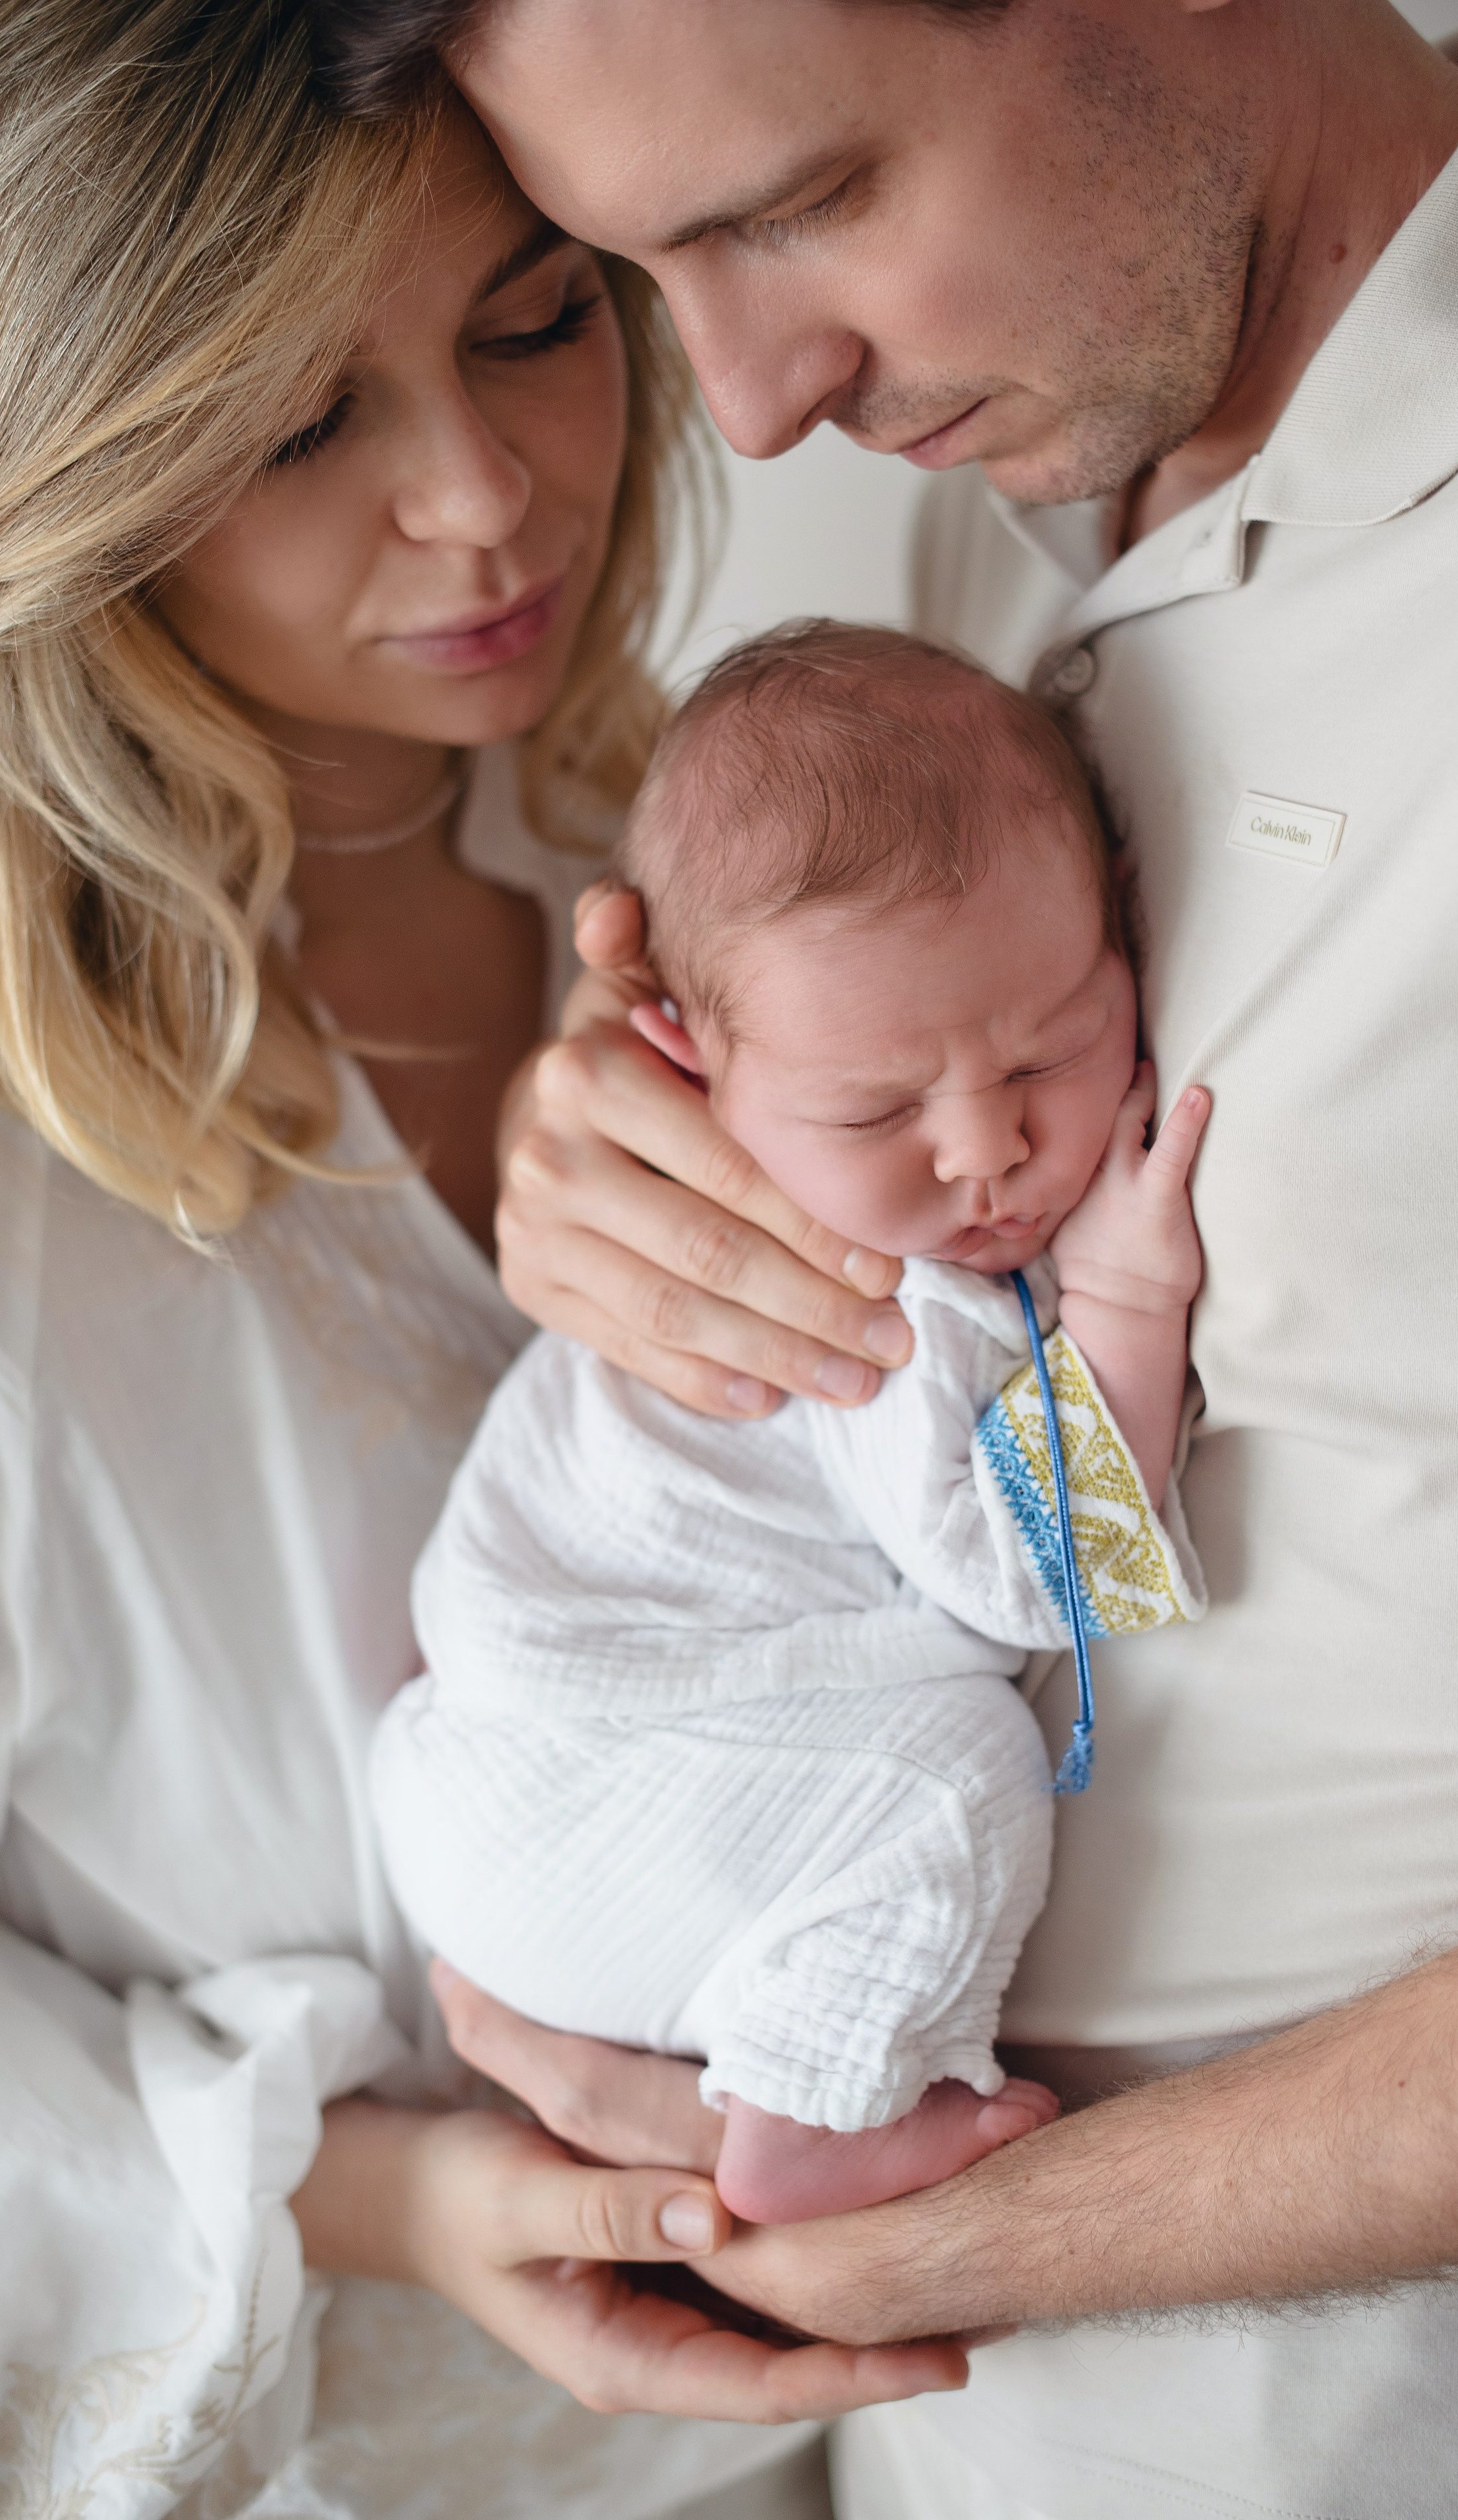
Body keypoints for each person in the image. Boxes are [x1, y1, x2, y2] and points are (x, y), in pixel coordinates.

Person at [308, 1, 1458, 2512]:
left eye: (788, 207)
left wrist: (931, 2240)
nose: (756, 399)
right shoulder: (966, 523)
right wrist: (636, 1166)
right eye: (639, 274)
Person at [0, 5, 963, 2511]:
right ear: (54, 453)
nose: (490, 498)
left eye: (533, 322)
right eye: (298, 424)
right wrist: (375, 2193)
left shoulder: (751, 868)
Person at [370, 622, 1208, 2226]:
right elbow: (1034, 1581)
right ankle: (811, 2098)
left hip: (505, 1781)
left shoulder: (868, 1142)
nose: (985, 1152)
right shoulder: (871, 1294)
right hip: (589, 1794)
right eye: (875, 1110)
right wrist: (1122, 1307)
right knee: (963, 1774)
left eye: (1050, 1043)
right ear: (675, 1055)